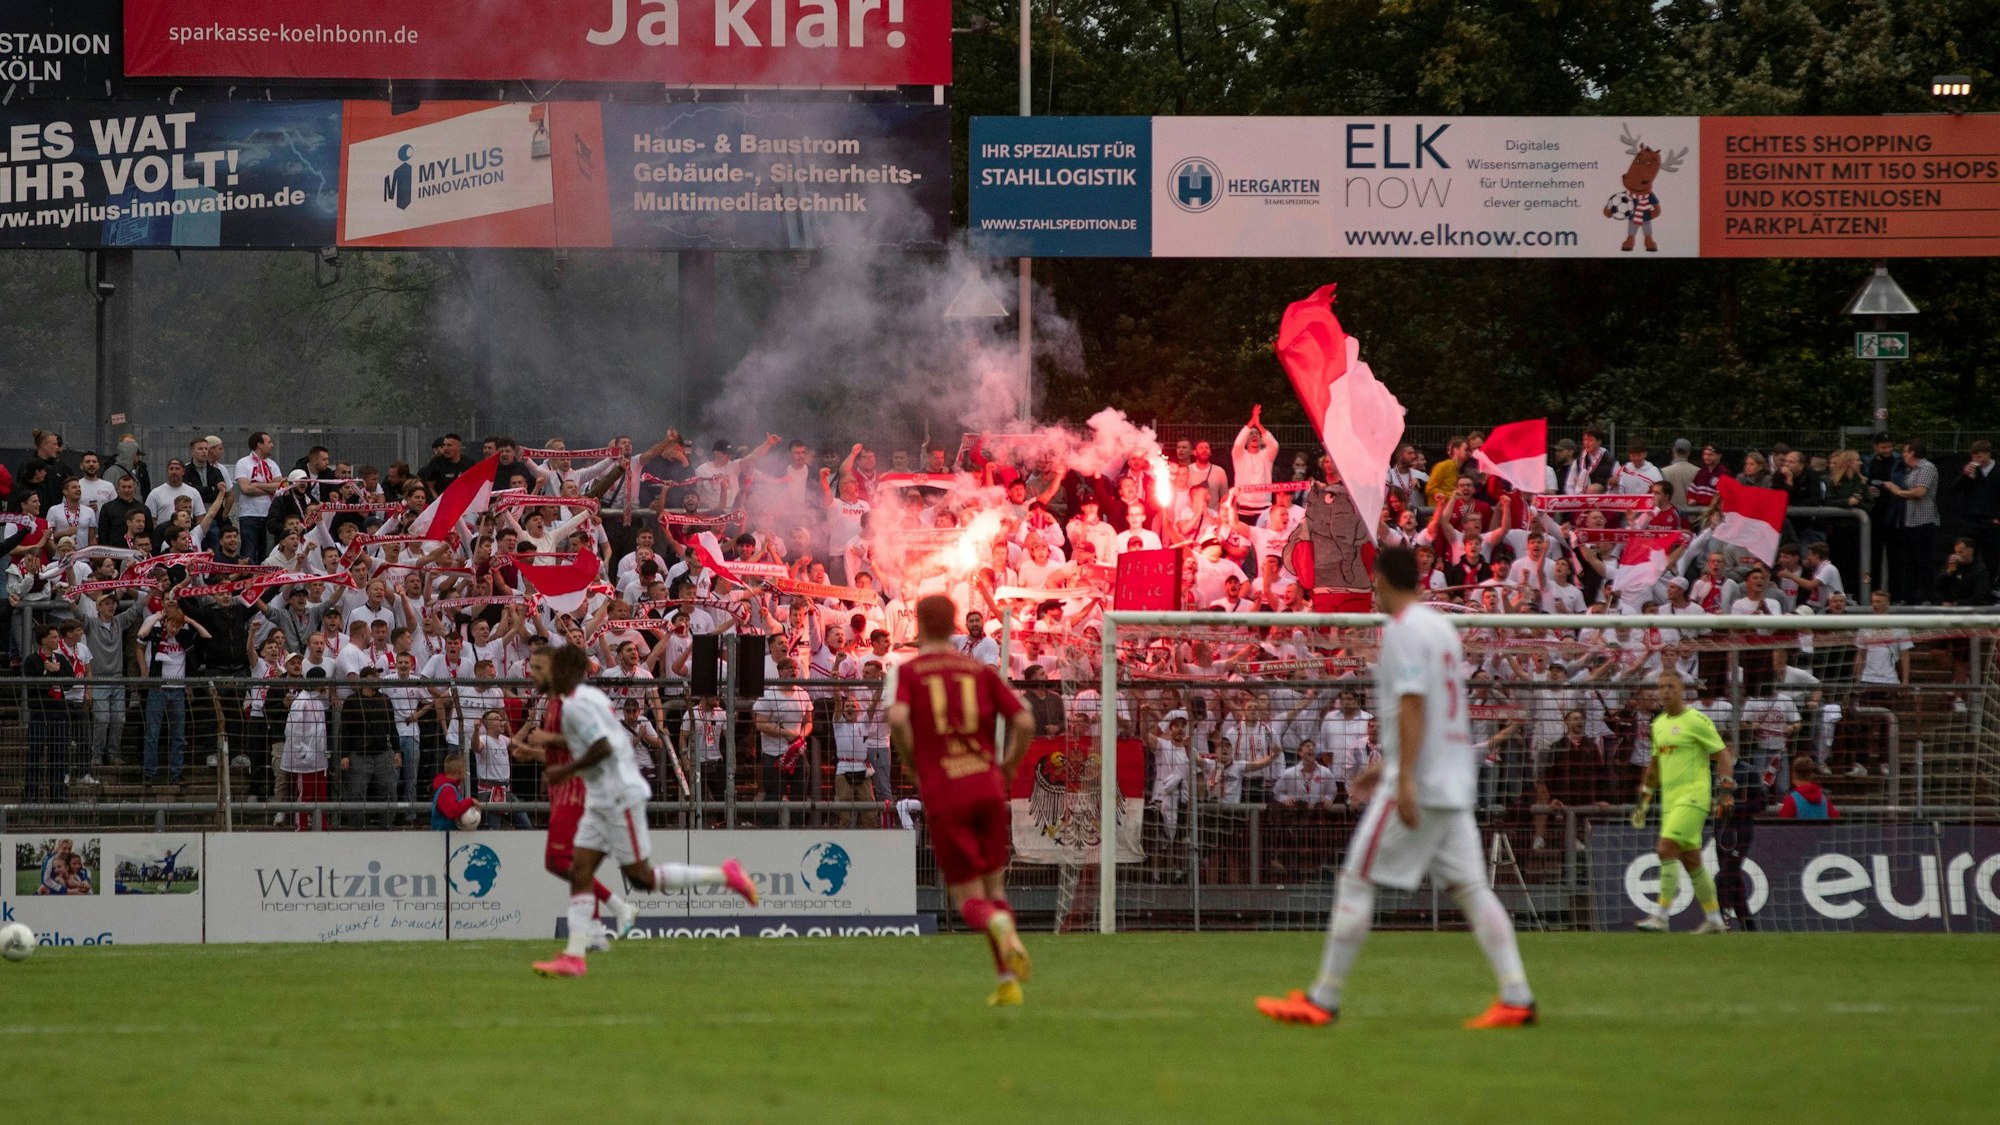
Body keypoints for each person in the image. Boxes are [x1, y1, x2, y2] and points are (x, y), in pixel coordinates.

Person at [1257, 545, 1536, 1030]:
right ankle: (1516, 995)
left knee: (1356, 880)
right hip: (1452, 780)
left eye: (1372, 582)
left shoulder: (1404, 632)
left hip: (1421, 783)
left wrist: (1400, 776)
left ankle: (1323, 999)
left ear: (1382, 579)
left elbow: (1413, 704)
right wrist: (1385, 765)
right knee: (1472, 888)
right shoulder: (1442, 630)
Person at [515, 642, 758, 978]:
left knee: (642, 878)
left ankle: (725, 875)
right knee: (579, 870)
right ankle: (575, 954)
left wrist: (563, 770)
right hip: (600, 795)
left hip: (618, 795)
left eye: (540, 669)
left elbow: (601, 746)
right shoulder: (578, 702)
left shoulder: (576, 705)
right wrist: (542, 755)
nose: (533, 675)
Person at [887, 594, 1038, 1007]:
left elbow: (897, 718)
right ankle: (1007, 981)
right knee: (994, 884)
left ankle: (1002, 930)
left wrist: (912, 762)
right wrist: (1007, 767)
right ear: (954, 622)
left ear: (918, 623)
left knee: (967, 896)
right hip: (987, 785)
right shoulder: (977, 669)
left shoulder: (911, 672)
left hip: (946, 789)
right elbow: (1025, 719)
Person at [1634, 669, 1734, 934]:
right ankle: (1714, 919)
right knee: (1692, 861)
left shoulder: (1697, 720)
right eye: (1661, 687)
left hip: (1694, 797)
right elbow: (1654, 765)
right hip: (1670, 800)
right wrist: (1644, 799)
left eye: (1670, 686)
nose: (1665, 691)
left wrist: (1725, 792)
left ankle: (1661, 917)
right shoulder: (1658, 725)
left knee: (1665, 849)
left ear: (1682, 690)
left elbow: (1723, 755)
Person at [429, 751, 482, 829]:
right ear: (458, 772)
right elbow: (452, 811)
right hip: (444, 836)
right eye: (464, 770)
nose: (465, 773)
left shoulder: (450, 787)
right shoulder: (447, 789)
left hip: (448, 835)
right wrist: (469, 801)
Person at [1777, 756, 1839, 820]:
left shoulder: (1791, 800)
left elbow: (1783, 825)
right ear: (1811, 775)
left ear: (1794, 774)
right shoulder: (1824, 799)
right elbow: (1835, 820)